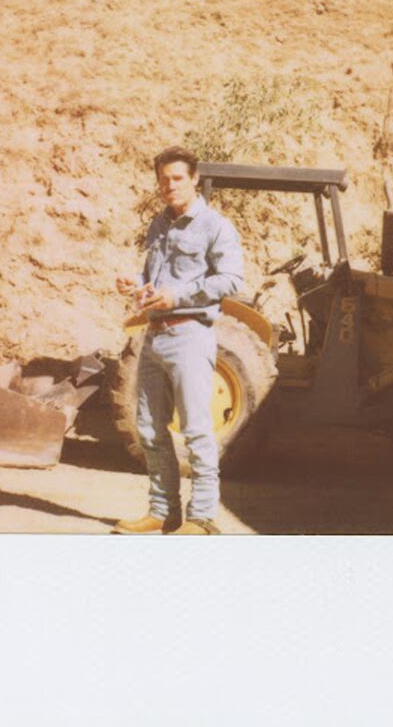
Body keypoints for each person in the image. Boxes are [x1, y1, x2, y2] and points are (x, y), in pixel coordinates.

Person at [114, 146, 244, 535]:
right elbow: (154, 278)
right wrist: (136, 285)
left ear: (194, 180)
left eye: (177, 178)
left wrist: (178, 296)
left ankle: (202, 517)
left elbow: (231, 280)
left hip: (190, 334)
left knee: (197, 429)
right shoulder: (159, 224)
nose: (169, 186)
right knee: (149, 428)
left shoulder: (215, 226)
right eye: (163, 180)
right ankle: (163, 511)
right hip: (154, 335)